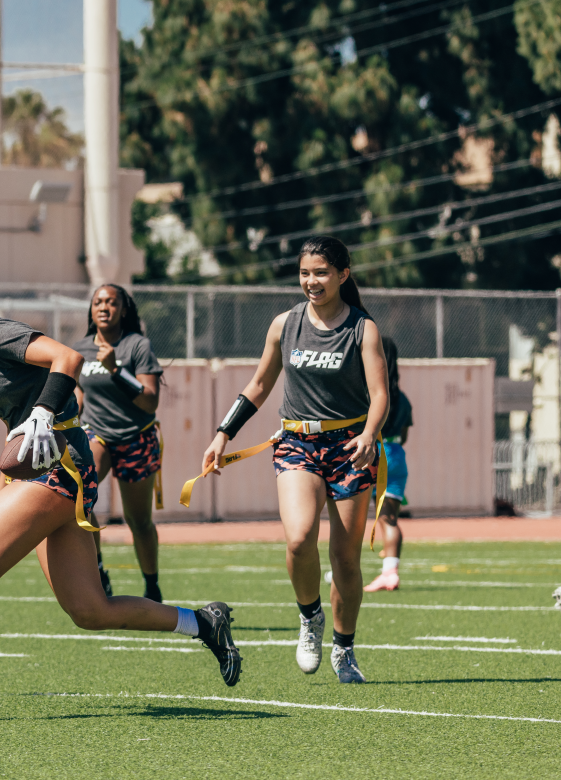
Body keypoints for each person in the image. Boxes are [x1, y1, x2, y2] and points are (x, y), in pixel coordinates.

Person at [0, 265, 240, 724]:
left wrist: (45, 411)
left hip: (60, 467)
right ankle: (203, 623)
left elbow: (68, 359)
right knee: (91, 610)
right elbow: (16, 433)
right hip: (42, 473)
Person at [198, 236, 387, 684]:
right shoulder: (285, 324)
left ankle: (344, 647)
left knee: (346, 560)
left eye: (321, 272)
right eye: (305, 272)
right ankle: (310, 618)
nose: (311, 281)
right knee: (300, 539)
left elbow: (381, 395)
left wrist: (369, 434)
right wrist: (223, 434)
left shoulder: (364, 328)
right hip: (298, 444)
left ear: (342, 274)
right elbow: (259, 385)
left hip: (349, 450)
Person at [73, 284, 164, 601]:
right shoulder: (81, 348)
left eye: (111, 302)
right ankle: (98, 570)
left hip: (136, 437)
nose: (104, 307)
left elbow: (150, 401)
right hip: (96, 433)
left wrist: (117, 371)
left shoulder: (137, 346)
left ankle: (151, 585)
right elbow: (77, 397)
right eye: (98, 302)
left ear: (123, 309)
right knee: (79, 496)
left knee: (138, 521)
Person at [365, 337, 412, 592]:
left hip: (373, 452)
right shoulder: (402, 398)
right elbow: (404, 435)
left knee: (356, 515)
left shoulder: (368, 393)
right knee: (389, 519)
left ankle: (345, 569)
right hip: (396, 453)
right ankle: (390, 572)